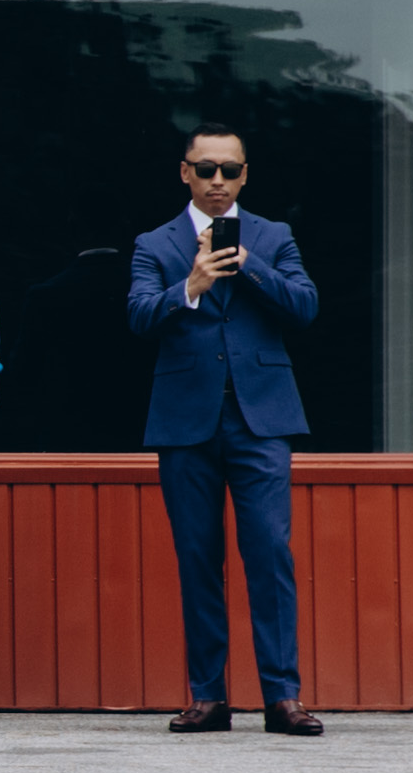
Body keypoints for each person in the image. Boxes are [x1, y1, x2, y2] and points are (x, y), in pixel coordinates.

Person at [131, 126, 328, 736]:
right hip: (185, 421)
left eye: (230, 170)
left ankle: (282, 697)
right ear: (184, 172)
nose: (218, 180)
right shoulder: (155, 243)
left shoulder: (273, 237)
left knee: (269, 552)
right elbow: (137, 316)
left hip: (261, 419)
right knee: (198, 558)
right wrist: (189, 287)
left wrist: (249, 265)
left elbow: (306, 306)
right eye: (206, 168)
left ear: (245, 175)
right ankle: (209, 697)